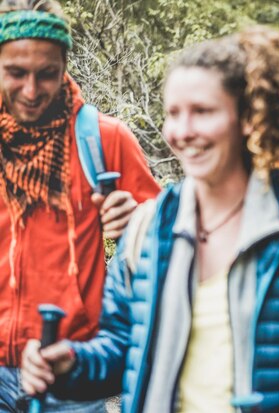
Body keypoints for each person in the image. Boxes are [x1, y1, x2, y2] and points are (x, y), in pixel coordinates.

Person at [21, 27, 279, 413]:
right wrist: (72, 362)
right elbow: (122, 348)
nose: (182, 132)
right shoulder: (149, 226)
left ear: (248, 119)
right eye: (173, 113)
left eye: (202, 112)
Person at [0, 1, 160, 411]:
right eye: (15, 73)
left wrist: (136, 222)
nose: (31, 91)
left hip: (72, 370)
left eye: (46, 74)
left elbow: (169, 249)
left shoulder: (104, 139)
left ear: (64, 64)